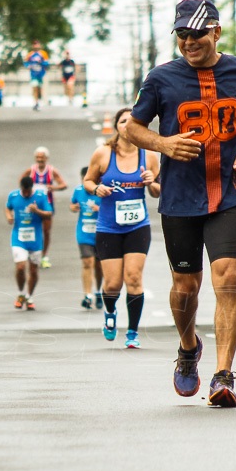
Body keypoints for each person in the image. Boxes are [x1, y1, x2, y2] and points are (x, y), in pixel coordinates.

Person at [122, 0, 236, 407]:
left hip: (230, 193)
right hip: (179, 198)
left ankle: (223, 375)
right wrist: (163, 144)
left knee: (228, 278)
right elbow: (135, 128)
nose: (189, 42)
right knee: (184, 287)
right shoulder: (161, 79)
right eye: (182, 35)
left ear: (216, 33)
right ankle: (189, 348)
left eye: (197, 34)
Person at [83, 108, 160, 349]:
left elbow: (158, 191)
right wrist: (96, 189)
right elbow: (87, 181)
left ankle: (133, 331)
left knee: (134, 278)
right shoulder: (103, 154)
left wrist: (151, 183)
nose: (127, 125)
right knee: (113, 283)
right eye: (123, 121)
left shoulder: (149, 156)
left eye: (132, 121)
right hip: (109, 228)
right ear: (117, 126)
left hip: (138, 226)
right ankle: (109, 311)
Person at [6, 175, 51, 311]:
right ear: (21, 188)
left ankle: (29, 296)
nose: (26, 194)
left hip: (36, 239)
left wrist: (36, 211)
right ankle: (20, 293)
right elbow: (8, 207)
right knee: (20, 267)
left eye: (28, 191)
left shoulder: (40, 196)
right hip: (19, 238)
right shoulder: (13, 196)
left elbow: (49, 213)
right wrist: (9, 216)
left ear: (32, 188)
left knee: (34, 269)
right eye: (24, 191)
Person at [20, 147, 67, 268]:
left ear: (46, 158)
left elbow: (64, 184)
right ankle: (32, 254)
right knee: (32, 229)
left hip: (47, 206)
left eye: (42, 158)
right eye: (38, 157)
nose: (40, 160)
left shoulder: (51, 171)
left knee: (46, 231)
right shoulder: (31, 170)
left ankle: (44, 256)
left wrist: (53, 188)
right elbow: (22, 181)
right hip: (33, 206)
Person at [69, 167, 103, 310]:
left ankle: (98, 291)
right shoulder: (78, 191)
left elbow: (113, 209)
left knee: (98, 264)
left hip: (101, 232)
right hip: (84, 233)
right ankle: (87, 295)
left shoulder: (102, 191)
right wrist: (73, 207)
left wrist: (99, 209)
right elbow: (72, 204)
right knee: (87, 262)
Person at [25, 40, 49, 110]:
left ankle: (40, 99)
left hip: (41, 74)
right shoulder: (30, 54)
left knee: (40, 88)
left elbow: (46, 63)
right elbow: (26, 62)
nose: (36, 46)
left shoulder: (43, 54)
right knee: (35, 87)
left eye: (37, 44)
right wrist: (28, 66)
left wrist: (41, 62)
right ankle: (36, 102)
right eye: (34, 44)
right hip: (33, 74)